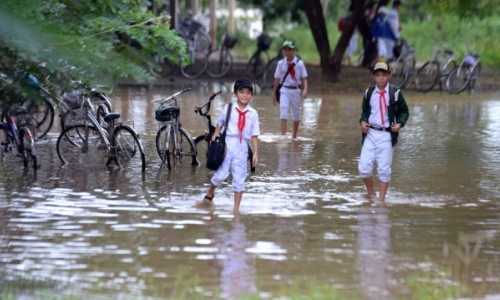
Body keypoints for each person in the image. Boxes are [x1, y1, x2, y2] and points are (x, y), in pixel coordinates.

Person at [200, 78, 260, 212]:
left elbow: (255, 134)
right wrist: (216, 134)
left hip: (242, 146)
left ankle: (236, 210)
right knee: (220, 175)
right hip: (227, 144)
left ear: (251, 95)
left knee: (239, 179)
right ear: (235, 94)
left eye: (248, 92)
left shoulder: (253, 114)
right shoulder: (228, 108)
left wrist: (255, 152)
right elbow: (220, 123)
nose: (245, 95)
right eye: (241, 92)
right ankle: (210, 193)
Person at [358, 62, 409, 202]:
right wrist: (362, 122)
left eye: (384, 75)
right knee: (364, 167)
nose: (381, 78)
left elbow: (404, 112)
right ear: (373, 76)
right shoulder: (369, 93)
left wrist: (399, 124)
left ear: (389, 75)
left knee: (384, 168)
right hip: (370, 133)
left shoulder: (395, 93)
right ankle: (371, 193)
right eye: (378, 75)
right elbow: (364, 112)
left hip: (386, 134)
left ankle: (381, 201)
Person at [272, 40, 308, 139]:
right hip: (284, 90)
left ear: (294, 50)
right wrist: (274, 93)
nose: (287, 52)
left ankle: (294, 136)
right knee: (283, 111)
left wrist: (305, 89)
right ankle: (283, 137)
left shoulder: (299, 64)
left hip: (296, 90)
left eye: (289, 50)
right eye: (285, 50)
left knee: (296, 114)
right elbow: (277, 79)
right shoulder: (280, 64)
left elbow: (304, 78)